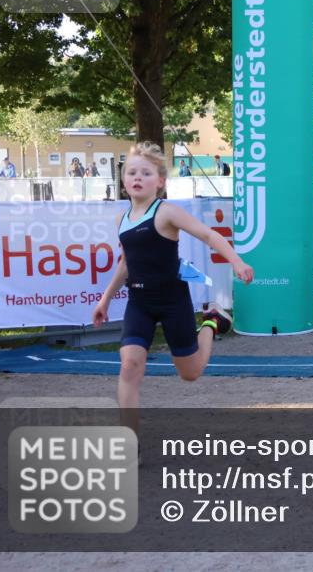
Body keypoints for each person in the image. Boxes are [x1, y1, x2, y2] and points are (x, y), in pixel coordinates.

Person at [92, 142, 254, 431]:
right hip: (139, 302)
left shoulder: (166, 212)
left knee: (190, 373)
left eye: (145, 173)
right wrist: (104, 301)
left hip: (171, 300)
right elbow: (126, 264)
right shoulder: (121, 219)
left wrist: (237, 263)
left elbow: (208, 235)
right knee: (129, 364)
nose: (137, 178)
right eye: (131, 173)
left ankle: (212, 322)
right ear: (124, 180)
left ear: (161, 181)